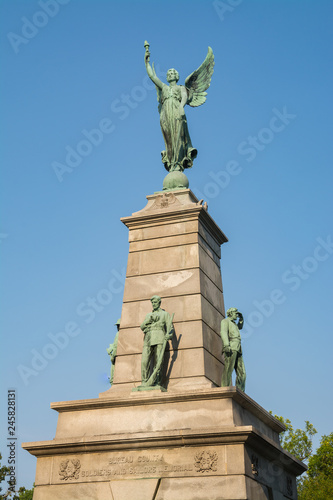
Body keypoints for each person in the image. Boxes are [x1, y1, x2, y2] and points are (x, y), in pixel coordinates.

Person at [144, 42, 214, 173]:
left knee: (178, 137)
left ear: (177, 76)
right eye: (168, 72)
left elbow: (184, 97)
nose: (170, 74)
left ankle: (178, 163)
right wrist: (146, 62)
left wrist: (181, 107)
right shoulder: (164, 87)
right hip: (166, 114)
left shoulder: (181, 87)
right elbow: (152, 76)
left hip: (177, 111)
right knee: (169, 138)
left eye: (173, 72)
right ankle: (171, 162)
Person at [140, 296, 174, 387]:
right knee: (144, 361)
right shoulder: (148, 315)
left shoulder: (165, 314)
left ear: (159, 303)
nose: (153, 304)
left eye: (155, 302)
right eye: (152, 303)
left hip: (159, 337)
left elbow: (170, 328)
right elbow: (142, 326)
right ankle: (144, 381)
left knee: (158, 361)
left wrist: (169, 335)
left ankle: (157, 381)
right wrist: (148, 321)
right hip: (148, 337)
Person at [220, 308, 246, 391]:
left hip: (238, 348)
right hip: (231, 347)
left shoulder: (234, 324)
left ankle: (240, 390)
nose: (237, 315)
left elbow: (240, 327)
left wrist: (241, 319)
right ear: (230, 313)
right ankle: (225, 387)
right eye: (235, 313)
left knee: (242, 373)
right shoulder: (225, 321)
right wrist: (226, 345)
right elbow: (223, 332)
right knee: (228, 369)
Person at [106, 318, 120, 385]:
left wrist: (112, 357)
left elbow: (116, 346)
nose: (117, 327)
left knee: (113, 377)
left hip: (116, 358)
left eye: (118, 325)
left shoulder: (118, 334)